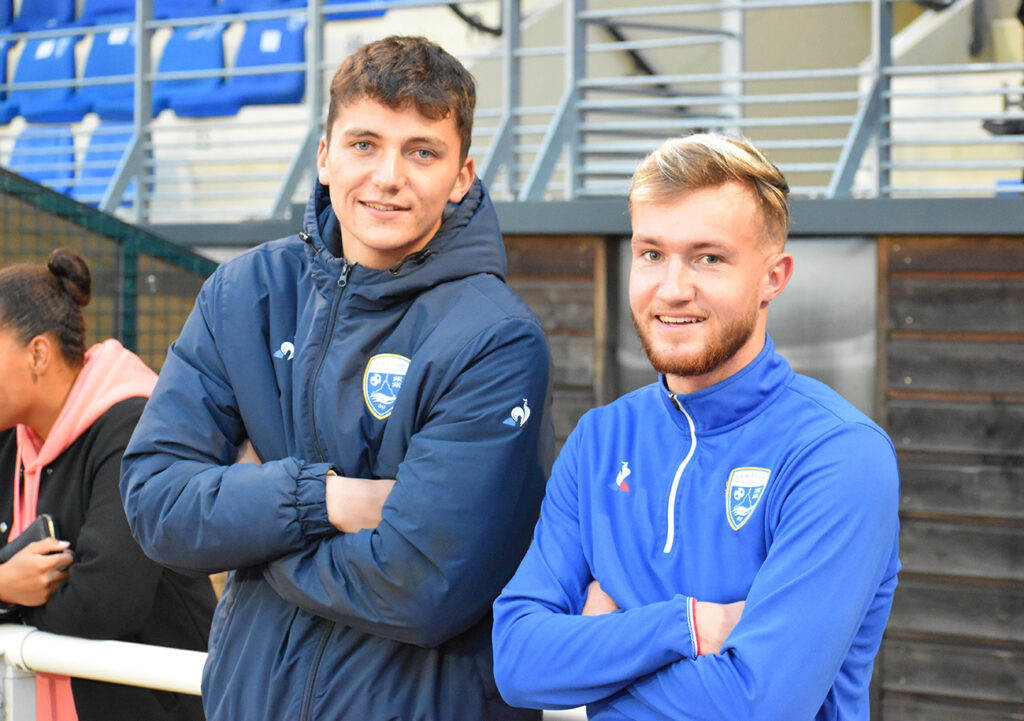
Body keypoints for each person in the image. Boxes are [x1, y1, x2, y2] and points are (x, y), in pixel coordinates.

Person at [120, 35, 553, 721]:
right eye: (364, 144)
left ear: (462, 174)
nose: (388, 175)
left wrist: (253, 530)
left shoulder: (495, 337)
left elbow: (420, 585)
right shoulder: (246, 293)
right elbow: (156, 503)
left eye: (421, 151)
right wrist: (322, 499)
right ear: (323, 155)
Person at [492, 133, 901, 720]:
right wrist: (685, 625)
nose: (672, 288)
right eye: (652, 253)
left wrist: (593, 658)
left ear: (773, 277)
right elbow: (516, 662)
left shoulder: (838, 455)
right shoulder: (600, 440)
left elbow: (757, 706)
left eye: (709, 257)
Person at [0, 248, 216, 721]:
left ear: (38, 354)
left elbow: (105, 603)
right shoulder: (12, 437)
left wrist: (11, 598)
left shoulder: (136, 426)